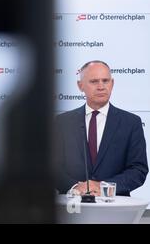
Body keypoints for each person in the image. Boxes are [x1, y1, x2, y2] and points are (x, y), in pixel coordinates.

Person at [56, 61, 148, 196]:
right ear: (80, 86)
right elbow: (52, 167)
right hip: (73, 207)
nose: (101, 86)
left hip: (115, 208)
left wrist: (103, 187)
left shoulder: (131, 122)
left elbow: (138, 169)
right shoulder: (62, 122)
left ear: (112, 83)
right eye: (94, 81)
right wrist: (76, 187)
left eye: (105, 81)